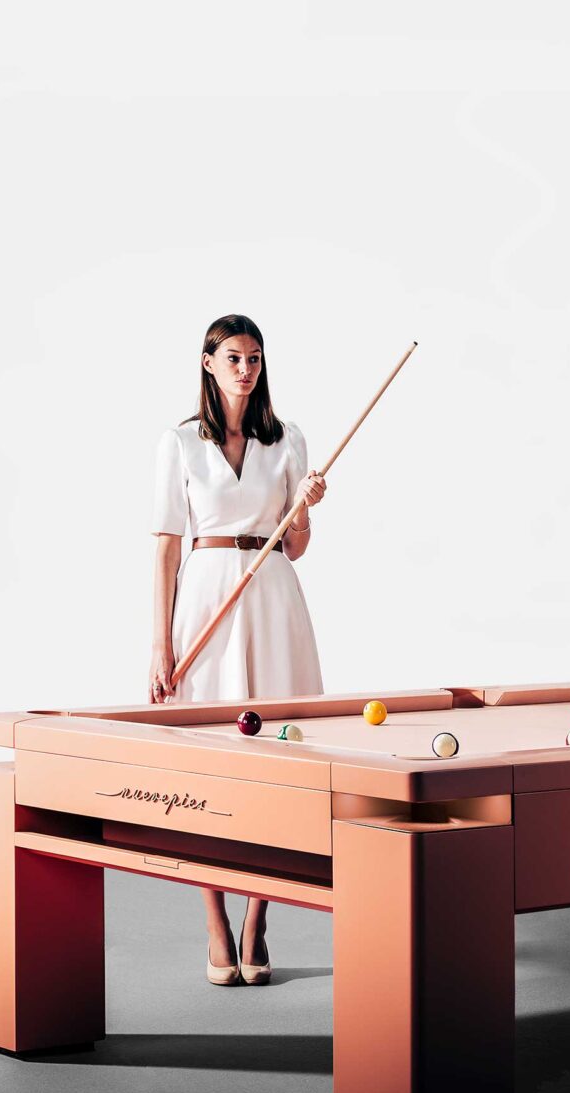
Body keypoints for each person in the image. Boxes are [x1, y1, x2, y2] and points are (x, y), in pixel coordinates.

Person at [148, 314, 326, 987]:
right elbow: (167, 543)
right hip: (206, 595)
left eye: (254, 358)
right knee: (210, 764)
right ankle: (215, 920)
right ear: (207, 363)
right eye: (233, 357)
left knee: (277, 757)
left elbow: (296, 544)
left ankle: (258, 917)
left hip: (273, 594)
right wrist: (160, 644)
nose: (245, 368)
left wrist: (304, 507)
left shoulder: (287, 439)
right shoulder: (181, 442)